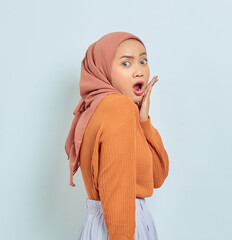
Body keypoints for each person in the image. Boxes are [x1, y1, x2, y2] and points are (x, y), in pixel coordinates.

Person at [64, 32, 170, 240]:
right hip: (122, 228)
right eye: (126, 64)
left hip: (102, 225)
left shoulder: (100, 108)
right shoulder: (118, 108)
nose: (139, 71)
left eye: (143, 61)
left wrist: (144, 121)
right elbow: (118, 193)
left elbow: (156, 177)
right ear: (102, 69)